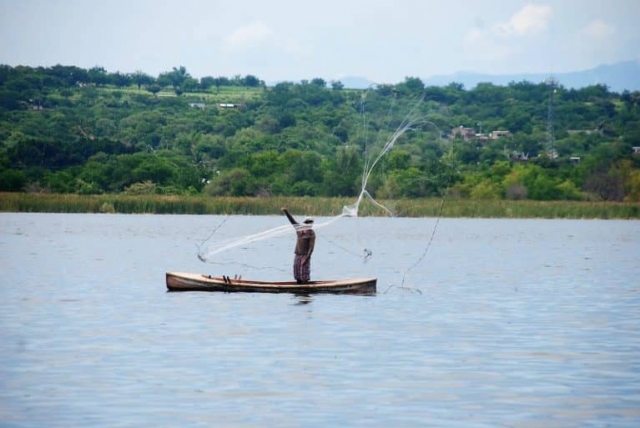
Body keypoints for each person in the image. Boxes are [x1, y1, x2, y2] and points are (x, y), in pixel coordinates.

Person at [281, 207, 316, 284]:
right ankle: (298, 289)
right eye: (307, 222)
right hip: (297, 254)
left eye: (310, 223)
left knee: (304, 274)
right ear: (305, 223)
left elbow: (311, 248)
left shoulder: (311, 233)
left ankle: (305, 290)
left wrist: (306, 259)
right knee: (297, 274)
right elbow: (292, 221)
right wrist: (286, 211)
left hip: (305, 255)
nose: (309, 224)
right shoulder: (299, 230)